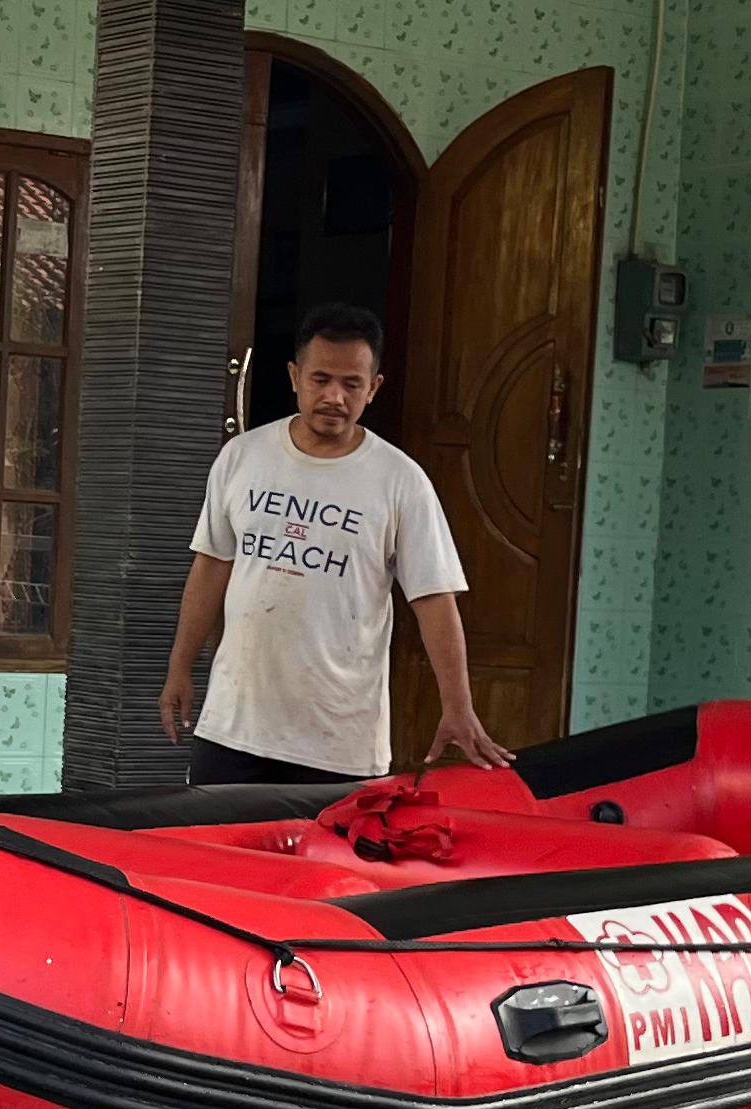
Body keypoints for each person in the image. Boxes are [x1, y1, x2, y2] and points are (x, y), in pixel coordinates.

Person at [158, 300, 514, 787]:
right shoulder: (242, 458)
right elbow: (211, 568)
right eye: (320, 379)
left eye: (352, 384)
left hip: (337, 742)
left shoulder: (400, 481)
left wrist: (458, 706)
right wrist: (179, 666)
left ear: (374, 388)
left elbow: (434, 600)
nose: (334, 397)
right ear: (293, 376)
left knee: (327, 863)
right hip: (233, 727)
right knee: (217, 858)